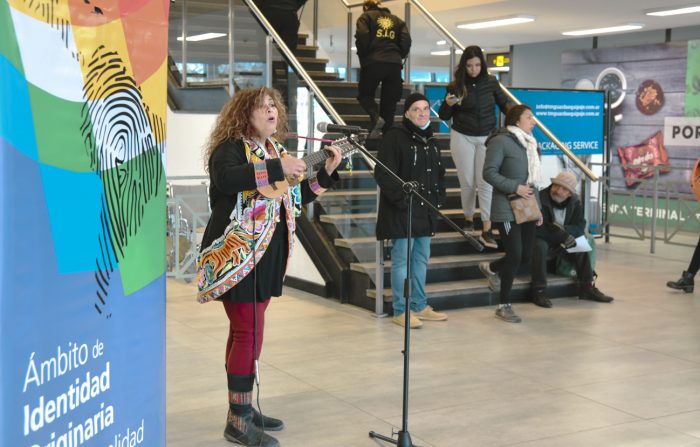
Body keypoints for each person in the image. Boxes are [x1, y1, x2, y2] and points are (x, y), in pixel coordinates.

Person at [197, 87, 341, 447]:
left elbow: (293, 196)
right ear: (244, 114)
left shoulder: (274, 149)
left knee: (248, 330)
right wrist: (279, 167)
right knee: (249, 331)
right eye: (262, 106)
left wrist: (323, 175)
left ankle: (242, 408)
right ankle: (238, 420)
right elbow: (228, 179)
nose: (271, 110)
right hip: (238, 255)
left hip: (267, 255)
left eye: (274, 104)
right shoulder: (228, 148)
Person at [375, 93, 447, 328]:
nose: (422, 113)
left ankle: (418, 305)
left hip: (425, 213)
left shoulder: (432, 142)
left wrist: (438, 200)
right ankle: (400, 309)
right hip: (401, 212)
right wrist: (402, 201)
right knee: (402, 262)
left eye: (425, 108)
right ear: (406, 113)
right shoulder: (395, 138)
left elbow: (440, 176)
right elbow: (383, 174)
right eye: (416, 109)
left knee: (420, 260)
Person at [438, 46, 511, 249]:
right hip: (462, 135)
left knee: (486, 182)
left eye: (477, 65)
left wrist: (516, 119)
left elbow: (504, 104)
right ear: (464, 66)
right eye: (469, 65)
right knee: (468, 182)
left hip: (487, 136)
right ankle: (468, 219)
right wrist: (449, 103)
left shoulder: (491, 82)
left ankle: (486, 229)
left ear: (482, 64)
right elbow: (443, 116)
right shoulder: (456, 85)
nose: (473, 69)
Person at [479, 104, 543, 323]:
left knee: (525, 256)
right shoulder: (500, 141)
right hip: (506, 208)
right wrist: (514, 187)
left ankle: (491, 268)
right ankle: (503, 305)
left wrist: (538, 209)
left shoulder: (532, 144)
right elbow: (488, 173)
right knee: (515, 254)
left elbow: (535, 183)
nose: (533, 121)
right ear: (516, 121)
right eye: (529, 117)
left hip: (527, 208)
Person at [530, 171, 614, 308]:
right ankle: (538, 290)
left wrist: (565, 233)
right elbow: (538, 227)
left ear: (570, 193)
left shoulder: (575, 202)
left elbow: (580, 226)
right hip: (543, 238)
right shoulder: (540, 198)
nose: (558, 191)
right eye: (556, 186)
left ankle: (587, 287)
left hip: (562, 239)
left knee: (581, 245)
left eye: (563, 189)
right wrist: (561, 234)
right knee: (539, 246)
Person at [355, 0, 411, 137]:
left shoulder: (365, 17)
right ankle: (387, 138)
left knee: (365, 94)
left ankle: (375, 117)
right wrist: (398, 55)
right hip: (394, 64)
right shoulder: (397, 20)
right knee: (390, 103)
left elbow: (362, 36)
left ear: (366, 7)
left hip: (373, 62)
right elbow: (407, 40)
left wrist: (365, 55)